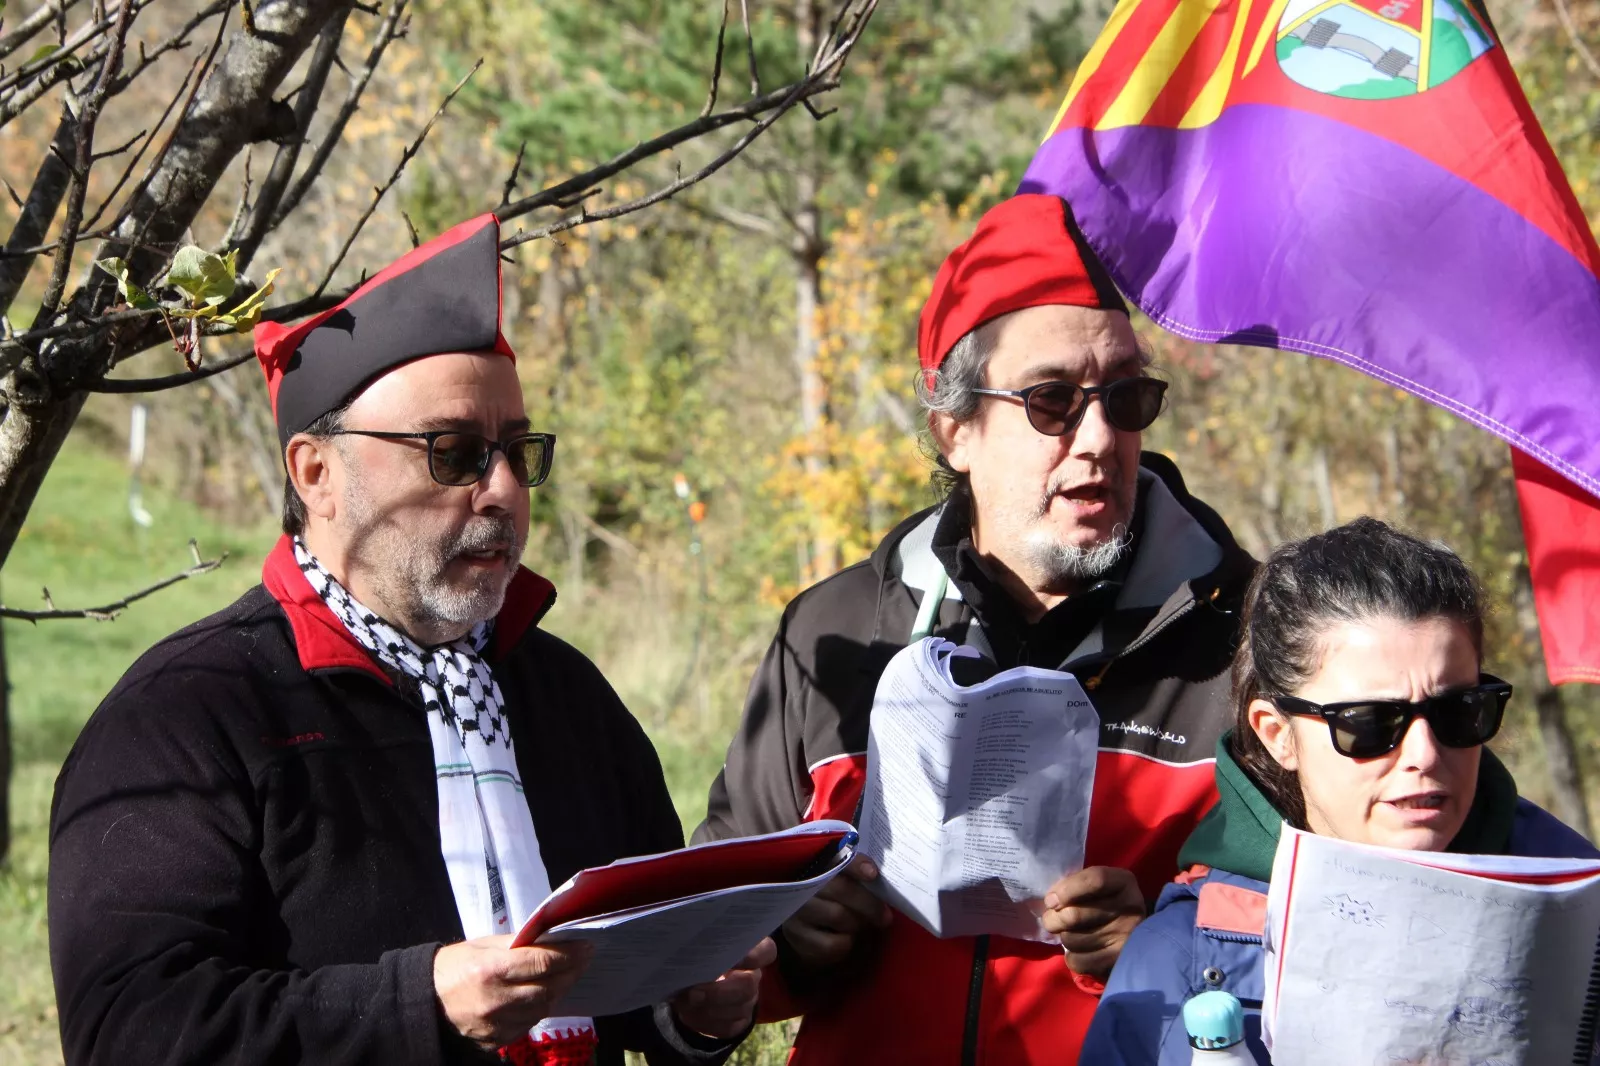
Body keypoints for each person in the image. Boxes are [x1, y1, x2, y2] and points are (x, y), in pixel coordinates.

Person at [48, 214, 771, 1066]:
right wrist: (418, 1004)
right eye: (454, 453)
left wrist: (693, 1010)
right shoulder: (189, 715)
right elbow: (129, 1033)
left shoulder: (564, 696)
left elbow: (630, 987)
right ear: (316, 473)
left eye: (516, 452)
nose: (502, 490)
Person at [692, 194, 1258, 1065]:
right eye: (1053, 400)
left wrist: (1168, 950)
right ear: (955, 428)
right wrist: (790, 929)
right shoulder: (836, 634)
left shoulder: (1254, 639)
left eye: (1127, 397)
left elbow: (1342, 928)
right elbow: (712, 937)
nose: (1100, 436)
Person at [1080, 516, 1600, 1065]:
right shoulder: (1174, 961)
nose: (1424, 755)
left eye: (1457, 712)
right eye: (1370, 724)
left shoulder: (1585, 923)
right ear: (1277, 734)